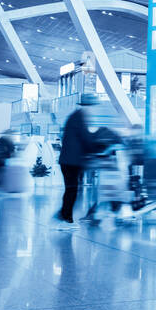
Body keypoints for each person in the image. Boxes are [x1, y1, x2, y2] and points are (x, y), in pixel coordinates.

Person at [55, 96, 97, 225]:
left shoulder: (75, 116)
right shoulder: (79, 117)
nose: (92, 110)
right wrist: (96, 145)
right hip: (71, 161)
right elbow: (86, 138)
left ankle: (63, 214)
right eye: (91, 107)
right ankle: (66, 218)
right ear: (86, 106)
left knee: (71, 189)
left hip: (68, 160)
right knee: (72, 189)